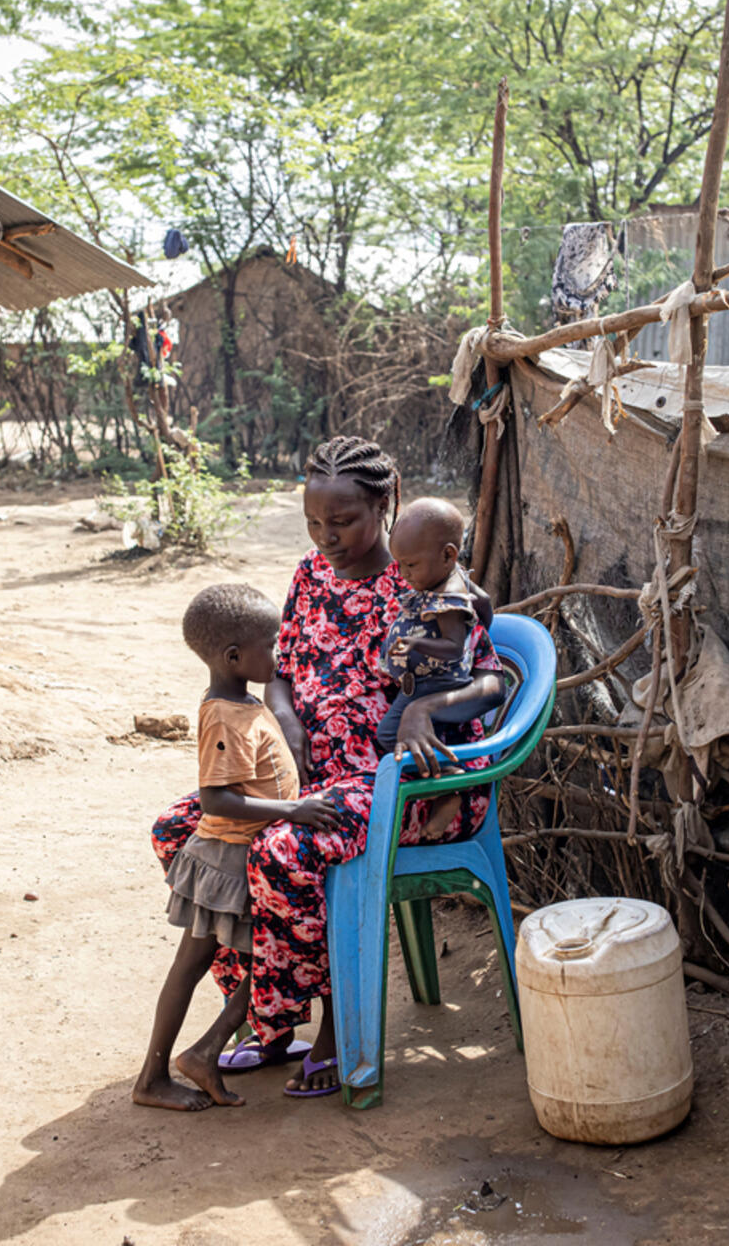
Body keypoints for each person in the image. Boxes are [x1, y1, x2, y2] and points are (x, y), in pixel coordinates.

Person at [152, 437, 505, 1098]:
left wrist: (429, 710)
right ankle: (270, 1019)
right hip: (309, 779)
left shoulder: (421, 572)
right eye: (315, 522)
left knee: (284, 850)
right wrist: (283, 717)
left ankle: (335, 1028)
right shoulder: (312, 574)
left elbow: (489, 684)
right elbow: (281, 670)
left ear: (385, 504)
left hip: (410, 782)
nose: (327, 537)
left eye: (342, 522)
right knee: (182, 831)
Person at [133, 583, 338, 1111]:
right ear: (232, 656)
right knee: (247, 961)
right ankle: (163, 1073)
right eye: (270, 644)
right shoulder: (224, 715)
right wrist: (293, 811)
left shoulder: (244, 700)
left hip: (238, 858)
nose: (280, 652)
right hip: (229, 863)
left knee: (256, 962)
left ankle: (192, 1057)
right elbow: (217, 798)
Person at [377, 497, 505, 839]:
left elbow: (453, 648)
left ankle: (448, 783)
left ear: (448, 555)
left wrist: (421, 644)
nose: (403, 575)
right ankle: (441, 781)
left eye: (410, 566)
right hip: (425, 686)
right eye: (400, 566)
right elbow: (485, 602)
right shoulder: (440, 584)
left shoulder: (449, 599)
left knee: (389, 734)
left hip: (435, 686)